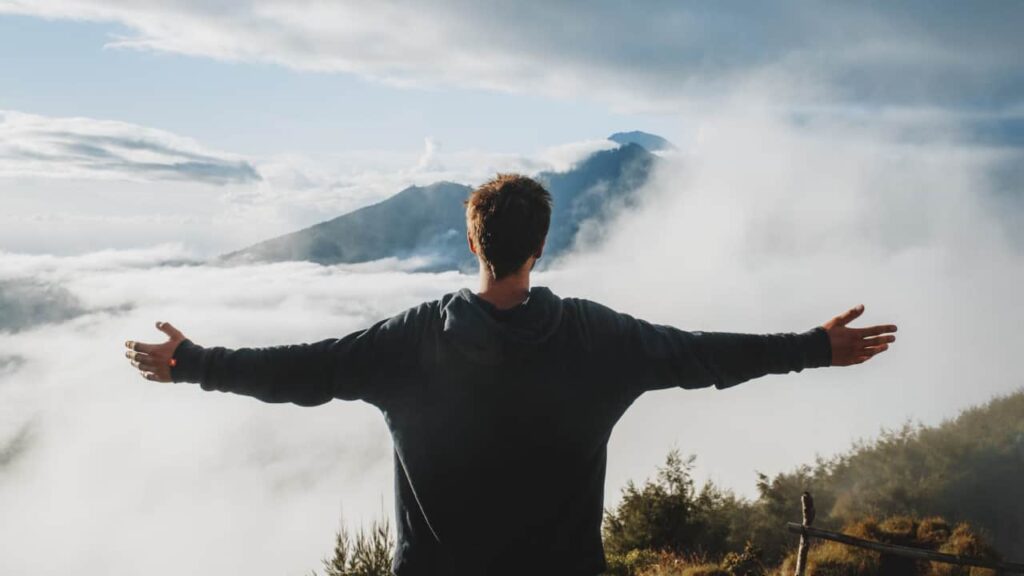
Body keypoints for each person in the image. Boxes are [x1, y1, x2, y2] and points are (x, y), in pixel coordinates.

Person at [124, 173, 896, 576]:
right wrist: (813, 347)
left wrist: (193, 363)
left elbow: (304, 370)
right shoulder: (601, 339)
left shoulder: (408, 342)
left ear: (472, 244)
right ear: (541, 248)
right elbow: (703, 355)